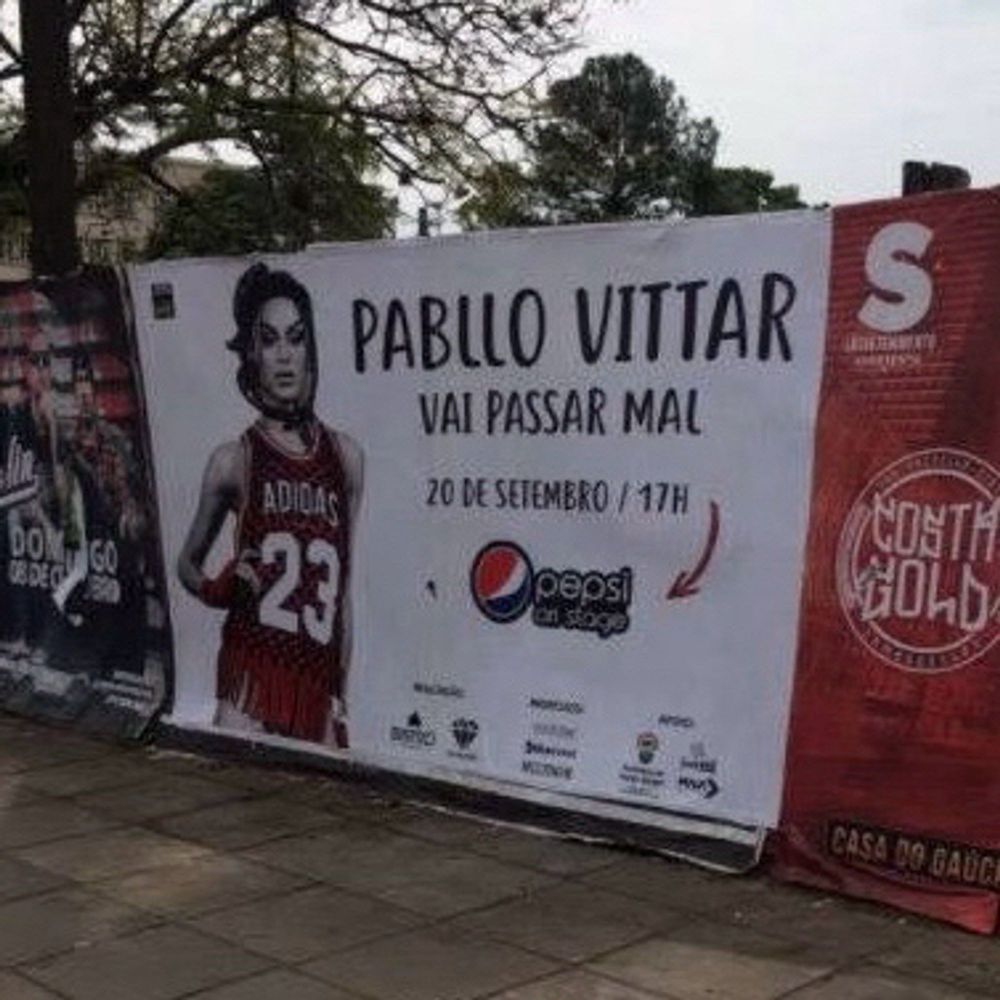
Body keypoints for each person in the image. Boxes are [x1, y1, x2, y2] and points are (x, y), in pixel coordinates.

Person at [177, 263, 363, 747]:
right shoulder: (233, 460)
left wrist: (341, 690)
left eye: (296, 338)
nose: (284, 355)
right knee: (234, 788)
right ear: (252, 353)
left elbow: (342, 593)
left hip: (313, 681)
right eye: (269, 339)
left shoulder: (345, 457)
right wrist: (216, 589)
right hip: (253, 672)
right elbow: (186, 565)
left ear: (310, 349)